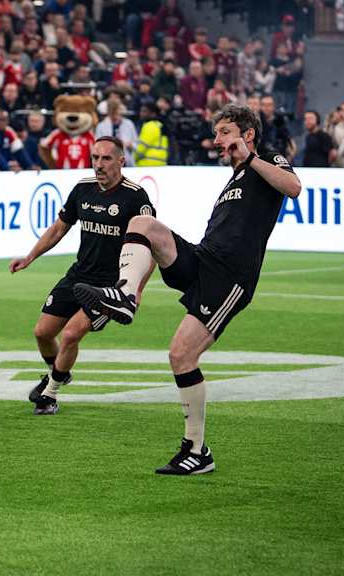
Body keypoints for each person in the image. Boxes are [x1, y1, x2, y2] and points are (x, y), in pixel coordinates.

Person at [72, 104, 301, 474]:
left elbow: (293, 187)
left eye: (224, 132)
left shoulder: (267, 159)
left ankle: (197, 451)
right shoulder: (233, 178)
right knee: (143, 224)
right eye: (217, 133)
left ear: (248, 134)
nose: (217, 140)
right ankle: (126, 295)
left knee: (180, 355)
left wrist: (252, 158)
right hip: (203, 258)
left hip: (229, 278)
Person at [9, 137, 155, 415]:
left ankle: (49, 394)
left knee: (71, 334)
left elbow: (151, 248)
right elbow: (58, 228)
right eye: (95, 158)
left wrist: (135, 289)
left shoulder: (136, 197)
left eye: (106, 159)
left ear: (121, 161)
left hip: (110, 286)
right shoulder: (83, 189)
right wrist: (29, 257)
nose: (99, 165)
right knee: (42, 333)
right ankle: (59, 372)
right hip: (78, 275)